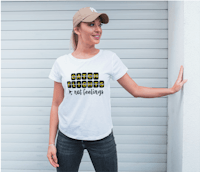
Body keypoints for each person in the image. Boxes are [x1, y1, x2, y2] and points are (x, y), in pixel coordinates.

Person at [46, 7, 188, 172]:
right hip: (67, 138)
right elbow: (56, 104)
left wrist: (170, 90)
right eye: (91, 24)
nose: (98, 29)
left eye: (100, 25)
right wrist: (51, 142)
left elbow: (135, 90)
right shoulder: (62, 63)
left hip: (101, 137)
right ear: (77, 29)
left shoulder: (109, 59)